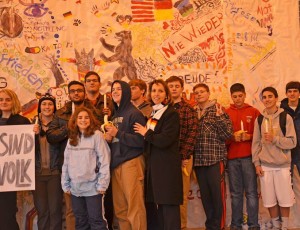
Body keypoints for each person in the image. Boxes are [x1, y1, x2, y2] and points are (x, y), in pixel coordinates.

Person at [47, 80, 99, 230]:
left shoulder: (93, 111)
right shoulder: (61, 113)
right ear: (69, 94)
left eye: (79, 90)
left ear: (84, 92)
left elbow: (99, 132)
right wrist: (69, 126)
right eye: (73, 91)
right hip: (70, 168)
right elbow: (51, 136)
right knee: (72, 211)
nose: (76, 93)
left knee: (93, 212)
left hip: (91, 170)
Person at [134, 79, 183, 230]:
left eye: (160, 91)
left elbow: (165, 140)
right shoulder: (154, 113)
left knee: (169, 207)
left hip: (166, 167)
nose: (156, 94)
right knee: (159, 206)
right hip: (155, 166)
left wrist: (145, 132)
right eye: (154, 90)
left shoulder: (171, 114)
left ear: (166, 94)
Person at [252, 87, 297, 230]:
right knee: (269, 200)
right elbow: (256, 144)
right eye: (264, 97)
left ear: (276, 98)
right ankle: (276, 226)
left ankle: (285, 227)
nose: (267, 99)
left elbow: (292, 142)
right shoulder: (259, 119)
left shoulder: (286, 117)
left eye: (270, 96)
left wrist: (275, 139)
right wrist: (257, 164)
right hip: (265, 166)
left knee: (285, 200)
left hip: (282, 165)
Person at [104, 80, 146, 229]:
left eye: (119, 89)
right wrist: (109, 139)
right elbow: (115, 141)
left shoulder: (135, 113)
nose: (115, 91)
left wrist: (118, 133)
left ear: (127, 92)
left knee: (135, 207)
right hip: (116, 165)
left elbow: (142, 141)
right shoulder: (114, 116)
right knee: (121, 210)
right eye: (113, 89)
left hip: (131, 163)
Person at [61, 107, 111, 230]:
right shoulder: (72, 138)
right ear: (75, 120)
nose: (83, 120)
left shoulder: (97, 135)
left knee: (96, 221)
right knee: (80, 222)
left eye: (86, 117)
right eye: (80, 117)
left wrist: (102, 184)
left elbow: (104, 160)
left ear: (91, 120)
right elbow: (66, 162)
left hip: (93, 188)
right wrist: (65, 183)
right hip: (75, 188)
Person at [192, 83, 233, 230]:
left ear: (208, 93)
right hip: (199, 160)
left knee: (217, 196)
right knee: (206, 197)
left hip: (215, 158)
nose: (199, 95)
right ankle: (211, 225)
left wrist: (220, 118)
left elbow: (228, 134)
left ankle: (219, 226)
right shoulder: (193, 112)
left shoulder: (218, 109)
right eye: (196, 93)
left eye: (202, 92)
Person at [225, 83, 260, 230]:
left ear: (245, 95)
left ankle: (253, 225)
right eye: (235, 97)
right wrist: (232, 138)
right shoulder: (226, 112)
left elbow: (260, 137)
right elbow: (222, 137)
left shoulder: (254, 111)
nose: (238, 99)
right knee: (235, 193)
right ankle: (235, 224)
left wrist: (249, 136)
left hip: (249, 157)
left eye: (240, 96)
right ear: (231, 97)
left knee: (251, 192)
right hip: (232, 158)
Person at [166, 76, 197, 230]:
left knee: (181, 196)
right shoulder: (162, 108)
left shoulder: (188, 109)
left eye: (176, 86)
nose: (173, 89)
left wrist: (184, 156)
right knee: (167, 195)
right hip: (166, 158)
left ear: (182, 88)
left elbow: (192, 134)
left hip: (183, 158)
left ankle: (182, 226)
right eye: (170, 86)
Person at [84, 71, 114, 229]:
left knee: (107, 192)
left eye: (95, 80)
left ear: (99, 83)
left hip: (105, 150)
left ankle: (108, 224)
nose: (92, 83)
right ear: (85, 84)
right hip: (87, 153)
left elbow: (115, 123)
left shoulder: (108, 102)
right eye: (89, 81)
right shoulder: (81, 103)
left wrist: (111, 113)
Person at [0, 89, 31, 230]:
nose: (4, 102)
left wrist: (34, 133)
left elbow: (28, 148)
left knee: (8, 211)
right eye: (1, 99)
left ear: (14, 101)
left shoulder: (22, 121)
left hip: (10, 176)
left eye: (7, 99)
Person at [32, 93, 63, 230]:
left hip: (55, 173)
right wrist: (32, 135)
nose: (47, 107)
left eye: (50, 104)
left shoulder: (60, 125)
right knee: (42, 211)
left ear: (54, 107)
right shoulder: (31, 125)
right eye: (44, 104)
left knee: (55, 210)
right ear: (39, 107)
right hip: (37, 174)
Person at [280, 81, 300, 217]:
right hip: (286, 152)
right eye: (289, 91)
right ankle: (287, 222)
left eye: (295, 91)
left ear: (299, 93)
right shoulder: (280, 111)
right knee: (286, 187)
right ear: (286, 93)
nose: (292, 93)